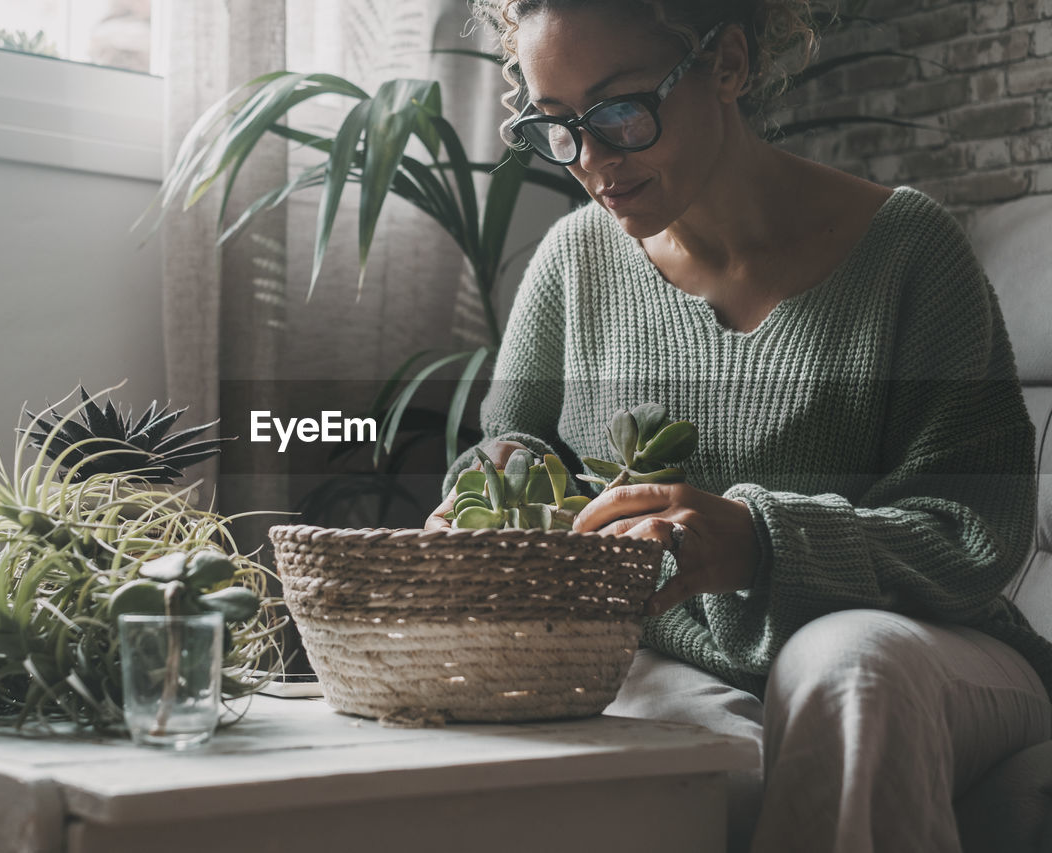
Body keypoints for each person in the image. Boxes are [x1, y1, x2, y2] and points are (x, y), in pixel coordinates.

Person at [425, 1, 1052, 850]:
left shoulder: (909, 252)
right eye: (558, 126)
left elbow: (977, 532)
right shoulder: (573, 262)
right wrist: (500, 478)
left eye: (618, 111)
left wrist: (763, 541)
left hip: (920, 646)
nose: (594, 159)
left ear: (726, 64)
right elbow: (512, 445)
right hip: (672, 654)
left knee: (843, 664)